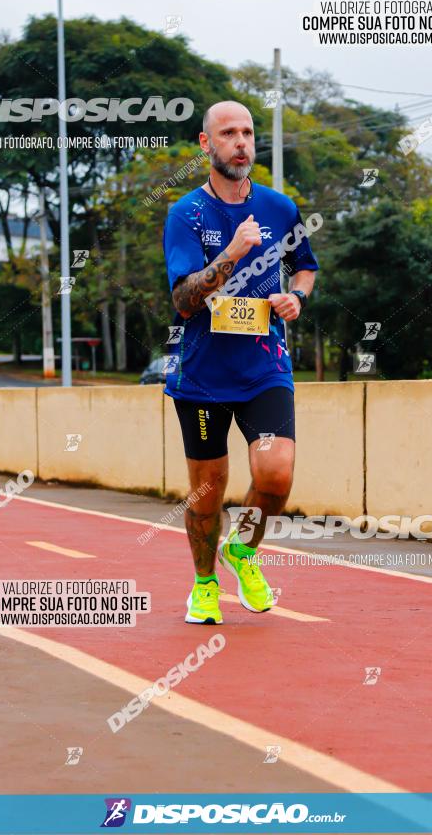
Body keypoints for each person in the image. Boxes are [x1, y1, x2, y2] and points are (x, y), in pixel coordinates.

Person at [162, 100, 318, 624]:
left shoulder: (280, 208)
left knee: (274, 476)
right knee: (208, 495)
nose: (242, 142)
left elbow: (305, 268)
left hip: (264, 367)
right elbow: (184, 299)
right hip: (203, 375)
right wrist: (231, 252)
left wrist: (297, 297)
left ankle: (244, 551)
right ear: (206, 144)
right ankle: (205, 584)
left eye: (248, 132)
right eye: (228, 133)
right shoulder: (186, 214)